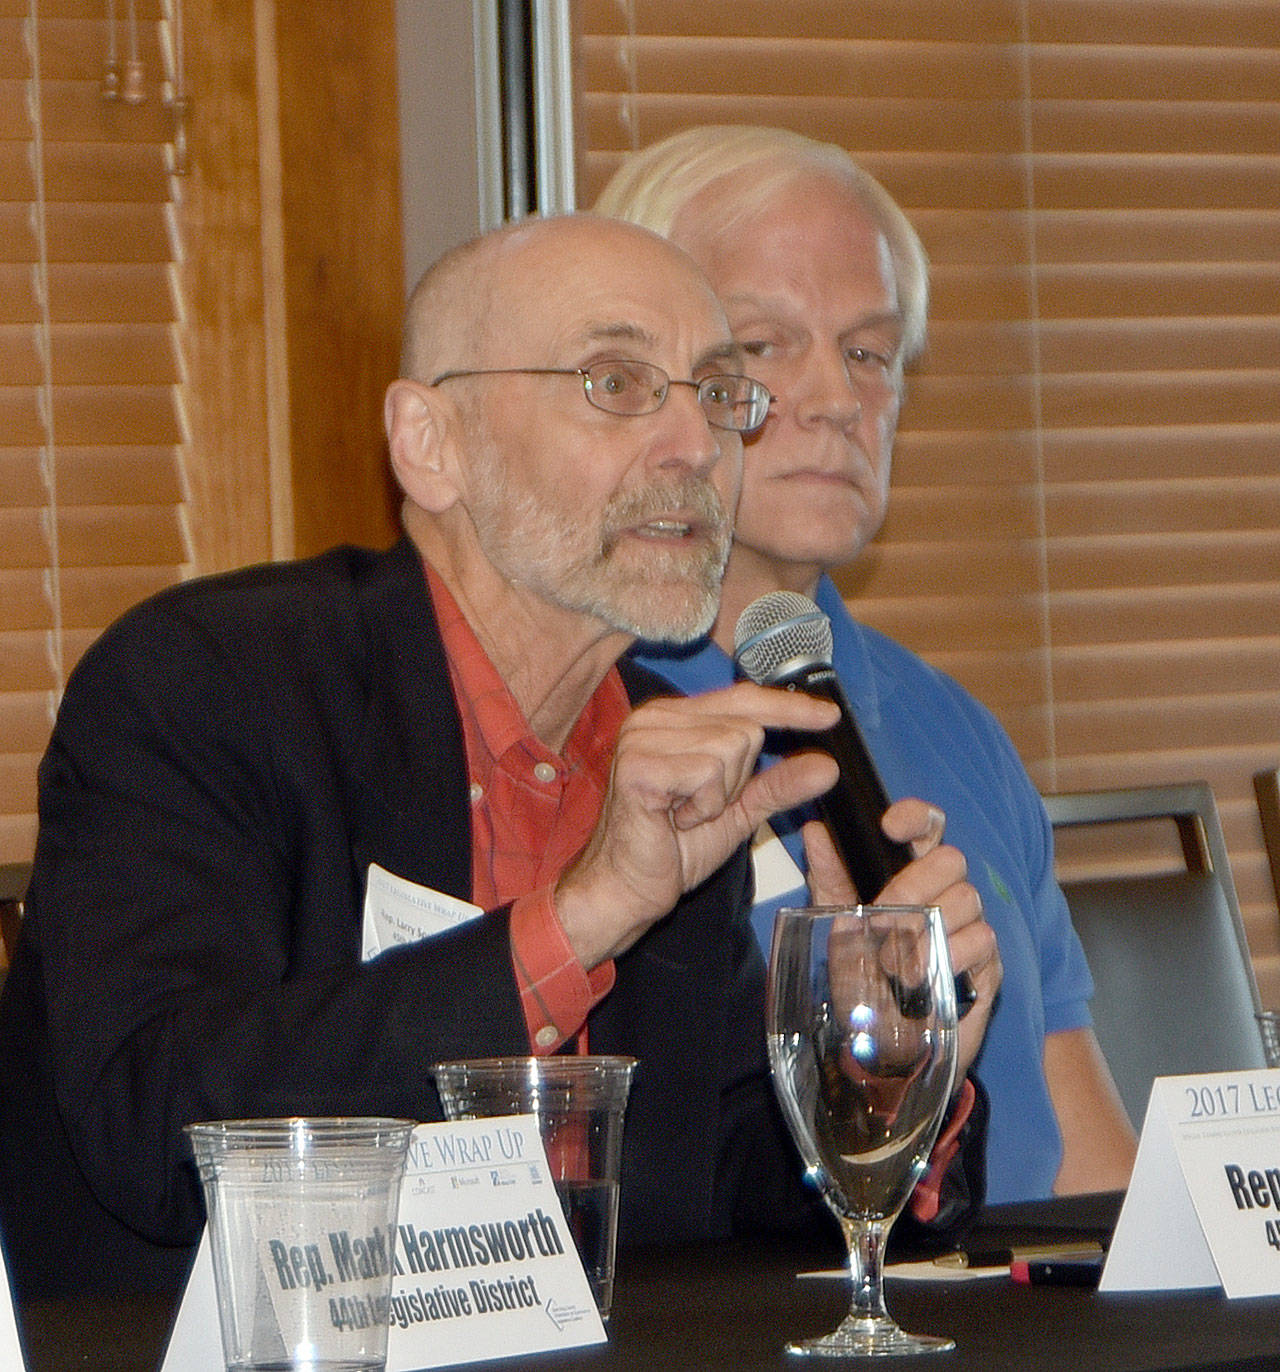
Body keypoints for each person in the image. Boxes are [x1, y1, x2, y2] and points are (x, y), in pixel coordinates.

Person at [0, 213, 999, 1300]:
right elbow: (158, 1128)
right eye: (615, 383)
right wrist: (577, 922)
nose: (695, 446)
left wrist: (872, 1058)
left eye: (717, 393)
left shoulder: (658, 738)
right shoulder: (208, 682)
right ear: (431, 443)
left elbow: (721, 1198)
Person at [595, 125, 1137, 1203]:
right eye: (763, 346)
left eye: (868, 354)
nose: (837, 398)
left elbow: (1088, 1168)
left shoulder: (954, 728)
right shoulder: (581, 726)